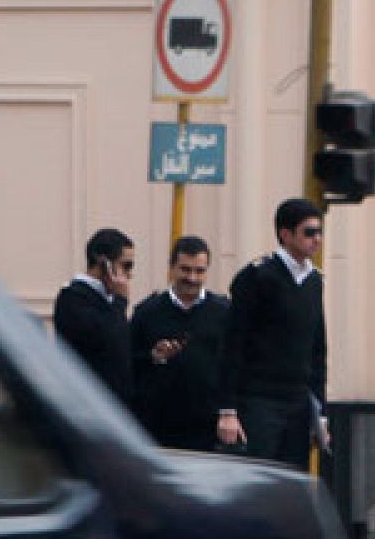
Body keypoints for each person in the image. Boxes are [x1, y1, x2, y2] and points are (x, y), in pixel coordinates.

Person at [216, 198, 328, 466]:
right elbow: (233, 344)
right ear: (285, 234)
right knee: (258, 475)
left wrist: (319, 412)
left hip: (298, 402)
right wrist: (228, 410)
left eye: (319, 232)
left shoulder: (314, 281)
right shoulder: (257, 277)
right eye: (309, 232)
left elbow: (317, 348)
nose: (317, 239)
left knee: (292, 478)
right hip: (259, 400)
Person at [129, 234, 229, 452]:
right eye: (185, 269)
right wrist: (154, 357)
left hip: (208, 429)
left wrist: (229, 412)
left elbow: (235, 366)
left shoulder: (224, 313)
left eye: (199, 271)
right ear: (172, 268)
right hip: (157, 428)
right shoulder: (147, 312)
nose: (192, 277)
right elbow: (129, 364)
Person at [54, 227, 135, 404]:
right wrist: (121, 301)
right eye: (125, 266)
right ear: (104, 262)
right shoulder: (73, 298)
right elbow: (106, 337)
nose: (129, 274)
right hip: (87, 403)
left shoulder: (109, 301)